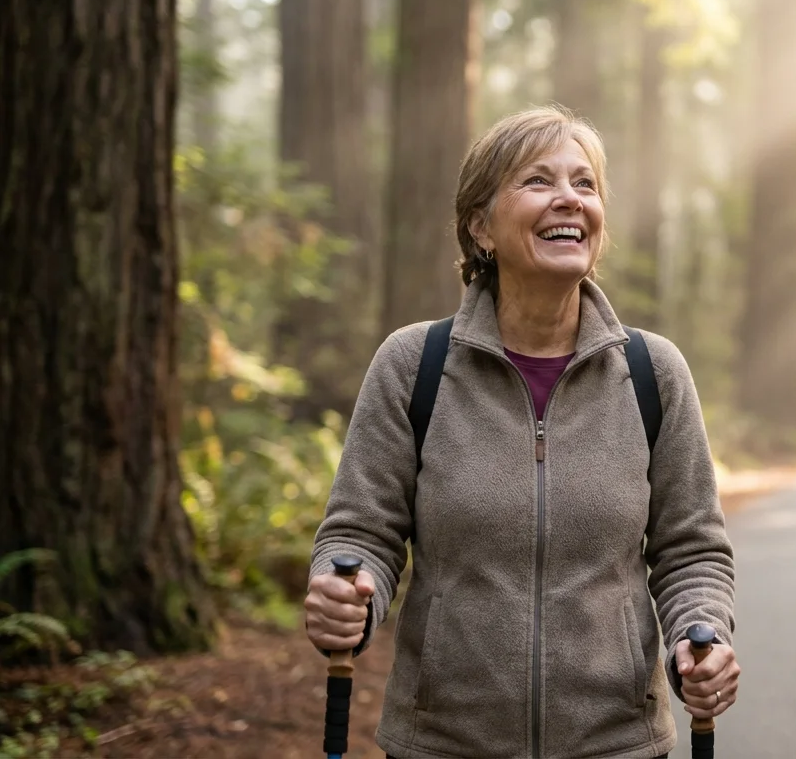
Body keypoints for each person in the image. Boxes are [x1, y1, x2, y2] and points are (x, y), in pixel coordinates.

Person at [303, 106, 738, 759]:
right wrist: (348, 596)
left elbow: (691, 549)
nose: (569, 197)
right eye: (538, 180)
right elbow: (361, 532)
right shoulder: (414, 364)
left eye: (585, 184)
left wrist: (699, 632)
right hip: (443, 744)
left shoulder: (653, 373)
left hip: (617, 744)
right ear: (481, 227)